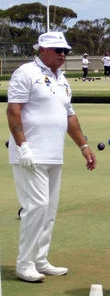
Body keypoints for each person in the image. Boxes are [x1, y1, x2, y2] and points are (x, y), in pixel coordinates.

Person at [6, 31, 97, 283]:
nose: (62, 55)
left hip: (54, 154)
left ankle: (40, 259)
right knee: (36, 207)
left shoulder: (63, 79)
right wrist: (22, 145)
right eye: (58, 50)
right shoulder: (25, 73)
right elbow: (13, 110)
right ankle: (24, 263)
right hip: (30, 154)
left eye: (65, 51)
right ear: (42, 49)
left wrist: (83, 146)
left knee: (49, 210)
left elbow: (69, 116)